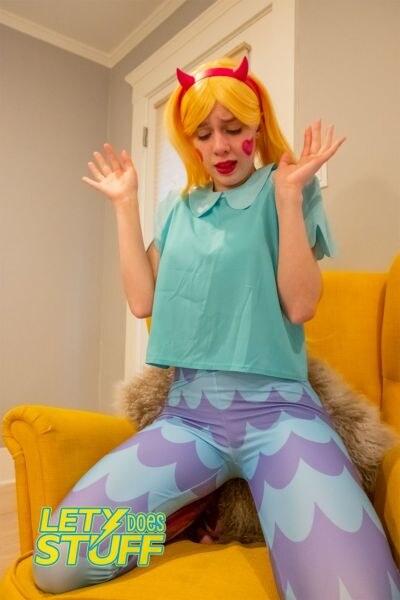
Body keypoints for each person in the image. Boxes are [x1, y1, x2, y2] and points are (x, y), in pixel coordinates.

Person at [33, 56, 400, 599]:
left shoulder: (286, 187)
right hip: (188, 420)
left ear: (258, 126)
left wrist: (290, 200)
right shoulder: (177, 209)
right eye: (204, 134)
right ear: (192, 144)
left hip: (281, 418)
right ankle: (176, 517)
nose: (221, 146)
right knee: (57, 561)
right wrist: (126, 206)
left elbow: (301, 305)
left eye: (233, 128)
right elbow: (142, 301)